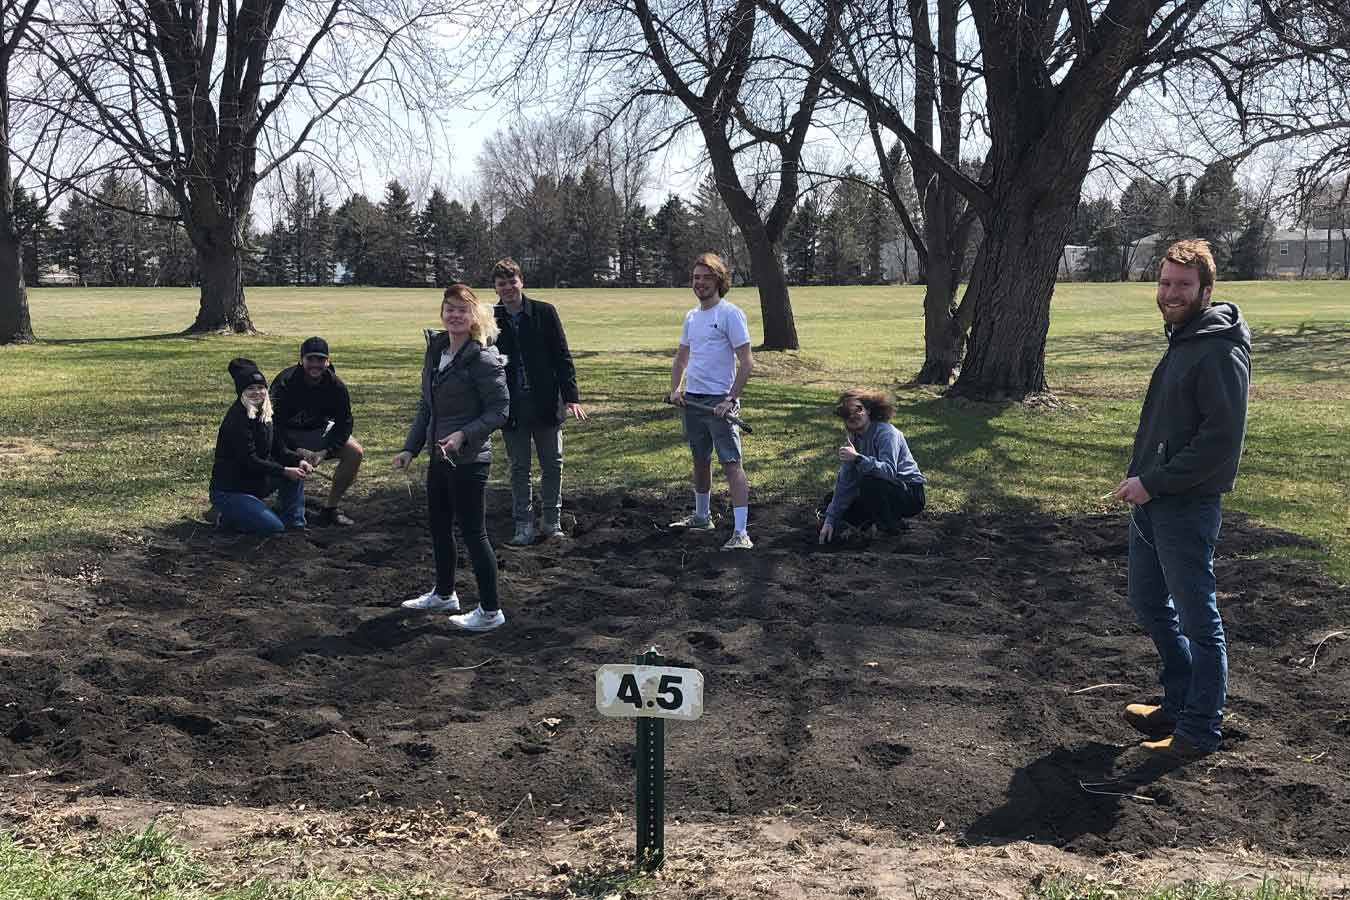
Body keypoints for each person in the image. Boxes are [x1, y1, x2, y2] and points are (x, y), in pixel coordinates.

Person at [1113, 238, 1251, 759]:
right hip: (1153, 501)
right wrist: (1144, 481)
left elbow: (1220, 441)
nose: (1171, 293)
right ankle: (1177, 699)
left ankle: (1199, 729)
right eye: (1166, 283)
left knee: (1198, 618)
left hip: (1185, 504)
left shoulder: (1217, 347)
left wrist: (1155, 481)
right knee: (1148, 601)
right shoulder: (1183, 338)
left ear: (1206, 291)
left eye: (1183, 286)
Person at [394, 284, 510, 633]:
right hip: (438, 458)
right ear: (442, 313)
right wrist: (410, 448)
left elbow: (500, 410)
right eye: (450, 309)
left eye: (462, 310)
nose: (455, 315)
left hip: (470, 461)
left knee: (474, 533)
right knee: (440, 527)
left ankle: (490, 611)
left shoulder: (484, 359)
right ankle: (445, 594)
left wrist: (463, 435)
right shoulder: (436, 350)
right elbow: (425, 407)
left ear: (474, 316)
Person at [490, 258, 587, 546]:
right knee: (519, 467)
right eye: (501, 284)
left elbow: (562, 355)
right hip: (511, 405)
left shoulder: (544, 312)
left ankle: (552, 521)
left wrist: (571, 397)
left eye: (512, 281)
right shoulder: (490, 317)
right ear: (495, 287)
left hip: (545, 401)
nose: (508, 288)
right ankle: (523, 524)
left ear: (522, 281)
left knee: (552, 463)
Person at [667, 252, 755, 550]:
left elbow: (746, 363)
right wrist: (676, 389)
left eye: (706, 277)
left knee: (731, 464)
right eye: (696, 278)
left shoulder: (730, 314)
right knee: (700, 460)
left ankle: (741, 533)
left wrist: (731, 399)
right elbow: (681, 357)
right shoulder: (692, 317)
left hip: (720, 402)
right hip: (693, 402)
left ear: (719, 280)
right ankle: (702, 516)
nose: (700, 283)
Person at [209, 358, 312, 534]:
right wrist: (284, 471)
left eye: (261, 388)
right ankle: (228, 516)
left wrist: (298, 460)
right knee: (273, 528)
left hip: (255, 482)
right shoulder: (236, 420)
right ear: (241, 392)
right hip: (231, 490)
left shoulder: (266, 414)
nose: (257, 392)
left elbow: (278, 448)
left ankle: (295, 522)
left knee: (296, 470)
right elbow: (250, 460)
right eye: (250, 388)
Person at [270, 336, 364, 527]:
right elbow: (272, 424)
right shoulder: (284, 383)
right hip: (287, 436)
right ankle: (258, 502)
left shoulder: (336, 386)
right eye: (310, 359)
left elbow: (344, 423)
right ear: (301, 360)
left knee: (355, 452)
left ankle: (330, 509)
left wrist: (326, 451)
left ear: (327, 361)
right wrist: (295, 450)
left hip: (318, 433)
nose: (315, 364)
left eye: (320, 360)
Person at [818, 389, 926, 543]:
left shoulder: (887, 433)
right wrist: (830, 520)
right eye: (845, 412)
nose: (852, 415)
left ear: (868, 410)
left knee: (870, 483)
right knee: (831, 501)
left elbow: (888, 472)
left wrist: (857, 458)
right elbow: (846, 482)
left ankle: (889, 529)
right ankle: (885, 521)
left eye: (857, 409)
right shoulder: (853, 439)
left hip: (910, 494)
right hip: (879, 489)